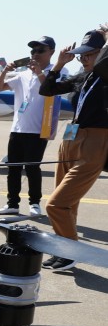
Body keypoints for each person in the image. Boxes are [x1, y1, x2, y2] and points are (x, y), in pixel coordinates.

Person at [38, 29, 108, 271]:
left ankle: (70, 253)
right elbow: (47, 90)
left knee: (56, 205)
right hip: (71, 139)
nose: (84, 59)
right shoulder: (84, 76)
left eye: (89, 54)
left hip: (94, 142)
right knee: (69, 204)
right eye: (81, 55)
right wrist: (59, 64)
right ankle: (62, 249)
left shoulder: (105, 75)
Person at [0, 36, 63, 218]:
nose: (35, 54)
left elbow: (51, 89)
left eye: (40, 50)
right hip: (18, 129)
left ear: (51, 52)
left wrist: (39, 72)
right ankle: (12, 204)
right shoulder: (23, 75)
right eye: (33, 51)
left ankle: (34, 203)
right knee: (13, 168)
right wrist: (5, 71)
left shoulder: (56, 72)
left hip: (38, 129)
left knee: (32, 168)